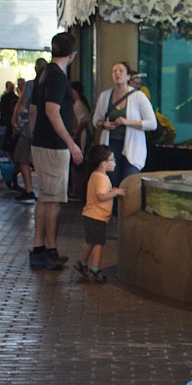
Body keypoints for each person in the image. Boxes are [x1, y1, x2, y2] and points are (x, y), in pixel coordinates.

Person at [29, 37, 82, 270]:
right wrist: (71, 143)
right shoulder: (58, 77)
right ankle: (50, 251)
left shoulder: (43, 74)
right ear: (73, 55)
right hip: (54, 147)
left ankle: (39, 249)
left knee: (45, 198)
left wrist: (34, 141)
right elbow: (52, 112)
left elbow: (33, 112)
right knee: (53, 201)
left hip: (42, 144)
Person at [92, 61, 157, 185]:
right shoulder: (105, 96)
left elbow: (152, 124)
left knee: (129, 180)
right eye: (114, 71)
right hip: (111, 145)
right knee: (111, 180)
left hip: (133, 145)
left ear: (128, 76)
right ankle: (113, 205)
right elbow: (96, 120)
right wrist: (104, 124)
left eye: (121, 71)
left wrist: (127, 122)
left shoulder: (138, 96)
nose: (117, 74)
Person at [74, 144, 125, 282]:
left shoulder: (95, 175)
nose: (115, 162)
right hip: (97, 216)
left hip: (90, 215)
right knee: (99, 244)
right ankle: (95, 269)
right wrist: (115, 193)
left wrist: (111, 191)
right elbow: (101, 196)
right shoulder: (102, 178)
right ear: (104, 164)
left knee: (90, 241)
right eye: (112, 160)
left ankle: (82, 263)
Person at [10, 61, 45, 204]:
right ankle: (43, 190)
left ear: (35, 69)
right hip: (45, 129)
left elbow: (24, 104)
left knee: (23, 157)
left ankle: (29, 190)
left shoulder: (32, 84)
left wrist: (14, 120)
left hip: (30, 129)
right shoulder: (51, 83)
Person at [69, 81, 92, 200]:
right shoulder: (77, 104)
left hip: (80, 137)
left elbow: (82, 123)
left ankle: (77, 190)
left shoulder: (79, 105)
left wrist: (75, 135)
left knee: (77, 164)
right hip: (79, 136)